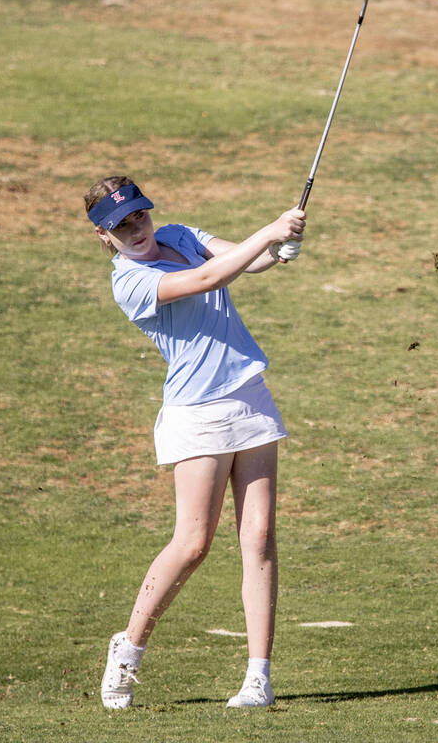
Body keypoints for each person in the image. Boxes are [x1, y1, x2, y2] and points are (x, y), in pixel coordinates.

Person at [84, 176, 305, 710]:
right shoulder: (130, 284)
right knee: (193, 544)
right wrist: (268, 232)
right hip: (196, 415)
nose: (135, 231)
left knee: (259, 535)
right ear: (102, 237)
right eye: (120, 226)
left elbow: (245, 262)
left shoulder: (180, 234)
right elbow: (207, 279)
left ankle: (258, 677)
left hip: (248, 397)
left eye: (138, 216)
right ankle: (128, 649)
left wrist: (280, 248)